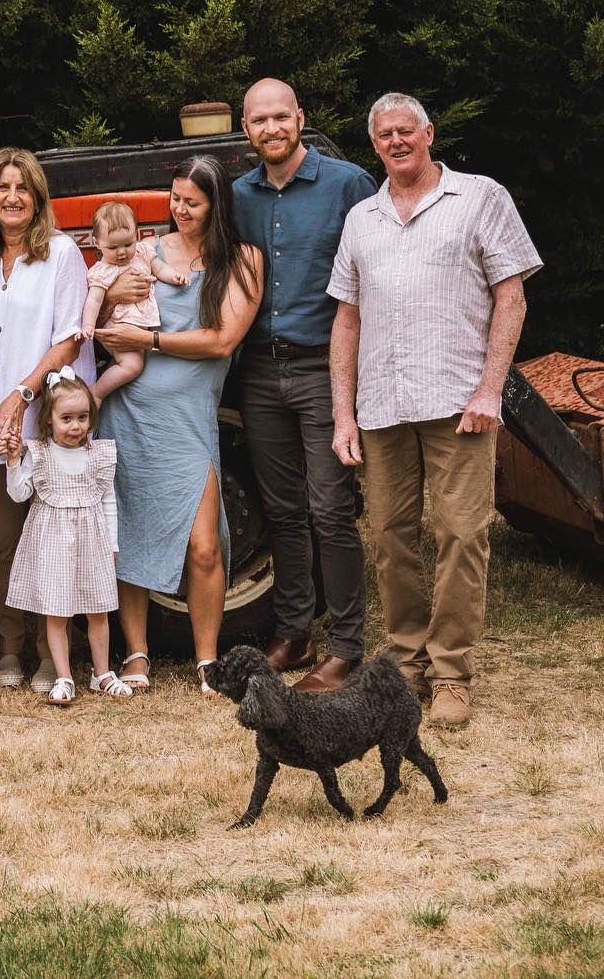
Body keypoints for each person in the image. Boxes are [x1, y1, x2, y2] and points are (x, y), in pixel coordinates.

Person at [329, 93, 541, 728]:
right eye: (385, 135)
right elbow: (346, 319)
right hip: (383, 405)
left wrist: (489, 389)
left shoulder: (479, 197)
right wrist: (344, 414)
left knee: (460, 534)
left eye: (406, 131)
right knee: (390, 537)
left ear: (428, 134)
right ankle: (404, 661)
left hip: (458, 403)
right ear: (375, 145)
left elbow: (512, 299)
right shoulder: (363, 217)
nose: (397, 142)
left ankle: (450, 672)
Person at [95, 154, 263, 696]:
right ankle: (137, 654)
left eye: (191, 201)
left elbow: (221, 340)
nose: (179, 209)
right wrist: (110, 304)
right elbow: (100, 313)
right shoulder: (146, 250)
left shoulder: (243, 260)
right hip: (133, 408)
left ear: (217, 205)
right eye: (175, 198)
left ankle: (207, 660)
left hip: (189, 419)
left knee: (205, 545)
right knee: (131, 534)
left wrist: (149, 341)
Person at [231, 78, 377, 693]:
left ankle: (346, 645)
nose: (271, 129)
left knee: (330, 509)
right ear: (246, 130)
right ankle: (294, 634)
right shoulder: (239, 195)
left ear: (300, 119)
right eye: (259, 121)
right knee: (284, 511)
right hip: (261, 370)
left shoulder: (347, 184)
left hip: (325, 368)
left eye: (280, 117)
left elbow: (379, 271)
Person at [0, 146, 91, 690]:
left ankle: (50, 650)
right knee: (4, 539)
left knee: (53, 539)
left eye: (22, 188)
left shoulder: (60, 254)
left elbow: (67, 336)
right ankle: (9, 646)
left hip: (44, 422)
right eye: (2, 187)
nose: (12, 197)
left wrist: (22, 394)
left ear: (38, 198)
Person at [4, 368, 130, 705]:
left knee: (98, 610)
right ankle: (63, 675)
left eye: (83, 417)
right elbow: (18, 495)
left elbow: (108, 501)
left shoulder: (97, 455)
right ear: (49, 420)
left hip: (92, 542)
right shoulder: (39, 454)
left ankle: (102, 673)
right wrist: (13, 462)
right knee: (56, 613)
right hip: (52, 545)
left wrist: (113, 544)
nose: (76, 426)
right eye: (67, 418)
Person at [83, 199, 188, 401]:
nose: (122, 252)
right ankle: (96, 393)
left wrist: (174, 276)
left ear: (137, 236)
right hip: (120, 327)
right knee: (132, 366)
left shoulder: (141, 253)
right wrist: (88, 325)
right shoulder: (102, 272)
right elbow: (93, 301)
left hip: (141, 328)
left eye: (128, 244)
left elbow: (159, 268)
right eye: (113, 247)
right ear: (96, 243)